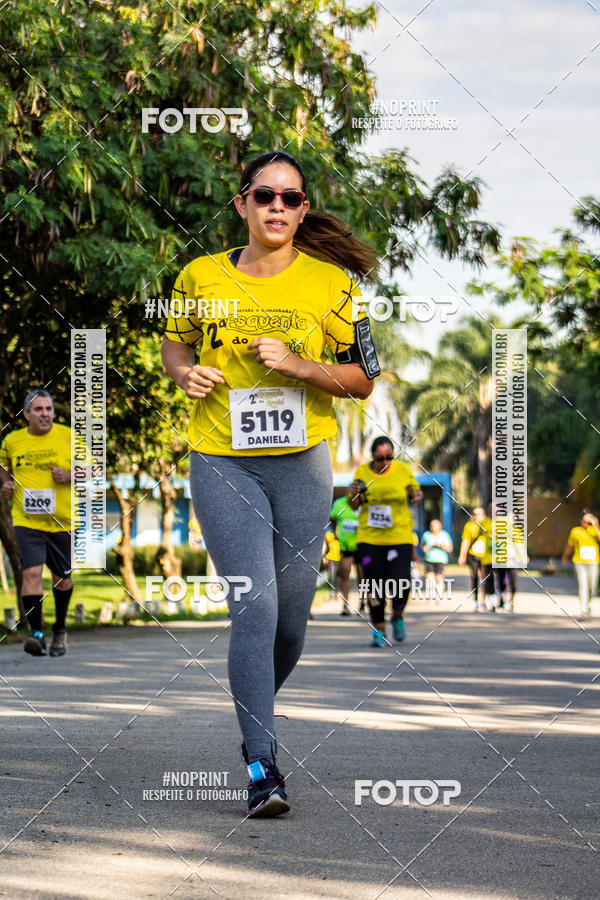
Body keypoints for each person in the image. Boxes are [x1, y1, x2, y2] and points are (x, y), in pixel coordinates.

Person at [160, 150, 380, 818]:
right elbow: (176, 344)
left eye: (291, 197)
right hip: (222, 458)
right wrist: (184, 374)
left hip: (303, 464)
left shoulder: (333, 285)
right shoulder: (199, 276)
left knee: (289, 625)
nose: (277, 206)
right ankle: (262, 766)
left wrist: (301, 365)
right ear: (242, 204)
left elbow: (363, 380)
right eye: (264, 195)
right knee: (253, 608)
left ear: (304, 208)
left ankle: (252, 702)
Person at [0, 390, 73, 656]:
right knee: (31, 573)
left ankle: (60, 629)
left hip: (62, 521)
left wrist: (69, 474)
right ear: (27, 414)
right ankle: (37, 634)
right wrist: (6, 483)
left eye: (49, 409)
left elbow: (94, 468)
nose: (45, 414)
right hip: (26, 519)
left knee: (62, 580)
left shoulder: (68, 436)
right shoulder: (12, 440)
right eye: (39, 409)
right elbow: (3, 465)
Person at [349, 436, 423, 646]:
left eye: (389, 457)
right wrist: (353, 495)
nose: (385, 462)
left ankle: (397, 616)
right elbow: (354, 505)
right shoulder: (362, 473)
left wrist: (417, 496)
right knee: (373, 586)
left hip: (399, 537)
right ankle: (379, 629)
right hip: (370, 539)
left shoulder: (403, 471)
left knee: (402, 582)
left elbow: (415, 496)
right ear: (373, 457)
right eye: (380, 459)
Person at [561, 509, 600, 618]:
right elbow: (570, 545)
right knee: (583, 585)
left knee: (592, 587)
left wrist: (595, 524)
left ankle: (588, 604)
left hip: (593, 562)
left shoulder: (594, 530)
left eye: (589, 522)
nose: (586, 524)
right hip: (579, 562)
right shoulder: (575, 531)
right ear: (580, 520)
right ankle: (584, 607)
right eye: (585, 521)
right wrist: (565, 557)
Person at [329, 491, 360, 615]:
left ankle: (363, 603)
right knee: (344, 572)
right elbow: (332, 519)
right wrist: (336, 533)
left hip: (362, 546)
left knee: (363, 575)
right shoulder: (339, 503)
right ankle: (345, 604)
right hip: (345, 546)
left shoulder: (365, 504)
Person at [458, 507, 486, 611]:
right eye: (474, 514)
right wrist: (462, 555)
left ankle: (485, 600)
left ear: (483, 515)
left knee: (485, 577)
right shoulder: (469, 526)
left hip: (485, 555)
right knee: (474, 576)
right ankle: (476, 599)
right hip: (472, 554)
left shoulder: (487, 524)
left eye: (478, 514)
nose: (475, 516)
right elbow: (466, 541)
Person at [420, 518, 453, 603]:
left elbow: (449, 548)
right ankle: (430, 596)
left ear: (440, 527)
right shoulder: (426, 535)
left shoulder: (444, 535)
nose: (433, 528)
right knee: (429, 577)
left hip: (440, 560)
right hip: (429, 559)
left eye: (435, 526)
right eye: (432, 526)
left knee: (438, 578)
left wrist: (440, 545)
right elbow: (422, 546)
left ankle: (439, 596)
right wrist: (427, 547)